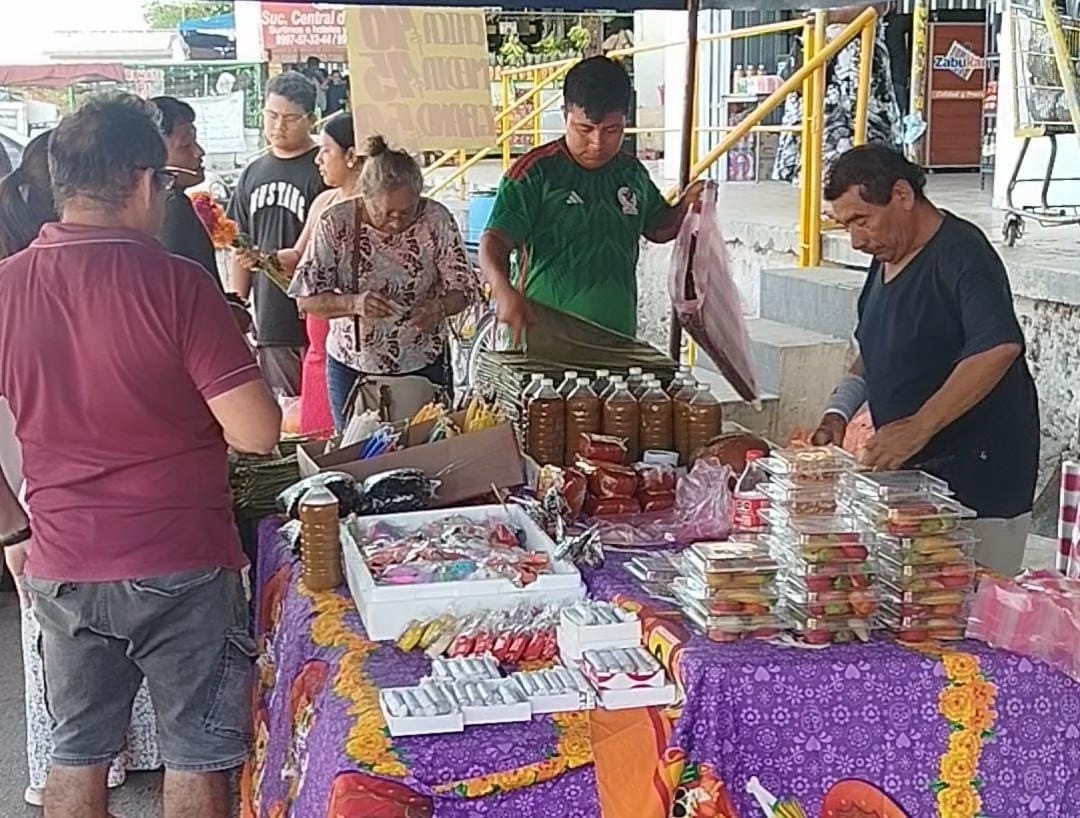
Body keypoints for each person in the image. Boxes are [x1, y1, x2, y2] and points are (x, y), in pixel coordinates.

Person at [0, 92, 281, 818]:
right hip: (180, 558)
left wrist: (12, 530)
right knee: (196, 755)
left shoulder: (6, 286)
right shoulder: (179, 285)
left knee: (77, 751)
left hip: (64, 560)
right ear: (142, 179)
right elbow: (257, 432)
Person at [0, 127, 164, 808]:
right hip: (54, 505)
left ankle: (118, 759)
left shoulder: (24, 275)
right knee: (85, 706)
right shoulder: (22, 279)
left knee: (77, 720)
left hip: (50, 509)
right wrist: (11, 527)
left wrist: (13, 527)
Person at [813, 145, 1039, 575]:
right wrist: (838, 410)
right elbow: (873, 349)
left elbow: (998, 346)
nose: (857, 240)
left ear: (902, 194)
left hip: (977, 480)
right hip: (915, 479)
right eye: (846, 226)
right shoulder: (886, 257)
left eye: (862, 220)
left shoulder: (962, 254)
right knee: (912, 598)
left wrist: (919, 426)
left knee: (971, 601)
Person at [480, 56, 703, 341]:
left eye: (612, 130)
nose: (597, 143)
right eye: (584, 129)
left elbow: (658, 227)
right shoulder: (534, 174)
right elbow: (494, 241)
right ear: (565, 115)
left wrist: (687, 206)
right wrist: (503, 290)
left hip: (616, 339)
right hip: (543, 340)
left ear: (626, 120)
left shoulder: (631, 172)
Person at [289, 135, 477, 430]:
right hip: (354, 366)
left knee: (427, 446)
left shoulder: (435, 219)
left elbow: (464, 287)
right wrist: (353, 303)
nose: (397, 222)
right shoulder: (336, 223)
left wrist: (438, 308)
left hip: (424, 362)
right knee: (357, 449)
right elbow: (305, 299)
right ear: (365, 196)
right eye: (386, 212)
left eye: (407, 211)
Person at [229, 71, 327, 397]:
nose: (278, 126)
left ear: (310, 119)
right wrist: (240, 305)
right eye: (271, 116)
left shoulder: (325, 169)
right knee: (287, 410)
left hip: (320, 313)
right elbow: (239, 243)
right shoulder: (252, 173)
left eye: (289, 118)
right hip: (272, 317)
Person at [277, 112, 364, 438]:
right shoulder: (324, 202)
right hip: (318, 336)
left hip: (355, 333)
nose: (318, 159)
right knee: (318, 430)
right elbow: (297, 257)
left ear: (351, 156)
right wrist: (261, 257)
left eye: (326, 150)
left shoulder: (376, 209)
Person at [773, 3, 902, 186]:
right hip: (817, 54)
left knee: (865, 156)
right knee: (815, 154)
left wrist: (832, 16)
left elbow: (880, 5)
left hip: (855, 60)